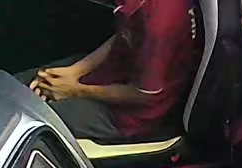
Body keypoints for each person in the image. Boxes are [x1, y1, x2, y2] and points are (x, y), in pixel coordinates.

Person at [15, 0, 201, 143]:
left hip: (129, 115)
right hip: (109, 72)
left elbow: (145, 95)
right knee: (13, 89)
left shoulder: (159, 25)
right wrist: (74, 72)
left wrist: (74, 90)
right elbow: (123, 36)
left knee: (24, 121)